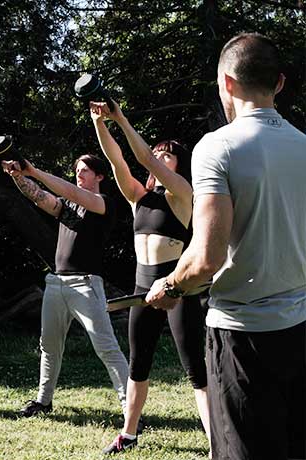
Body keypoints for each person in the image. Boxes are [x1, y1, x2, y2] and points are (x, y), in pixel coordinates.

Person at [146, 32, 306, 460]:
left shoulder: (217, 147)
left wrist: (170, 287)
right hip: (300, 330)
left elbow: (205, 259)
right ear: (279, 83)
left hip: (242, 338)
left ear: (228, 83)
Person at [90, 102, 211, 455]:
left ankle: (216, 439)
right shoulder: (138, 198)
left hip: (177, 289)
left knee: (195, 370)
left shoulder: (182, 195)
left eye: (166, 156)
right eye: (158, 152)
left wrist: (122, 117)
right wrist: (101, 124)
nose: (159, 158)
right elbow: (118, 162)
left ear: (177, 165)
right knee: (138, 364)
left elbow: (145, 159)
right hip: (143, 290)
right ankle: (128, 433)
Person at [1, 154, 129, 418]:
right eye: (77, 170)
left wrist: (34, 170)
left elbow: (68, 189)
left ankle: (131, 410)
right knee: (49, 346)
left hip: (86, 284)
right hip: (56, 282)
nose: (79, 174)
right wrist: (19, 177)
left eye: (85, 171)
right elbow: (39, 197)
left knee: (107, 348)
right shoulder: (68, 205)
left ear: (100, 176)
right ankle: (43, 401)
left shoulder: (103, 203)